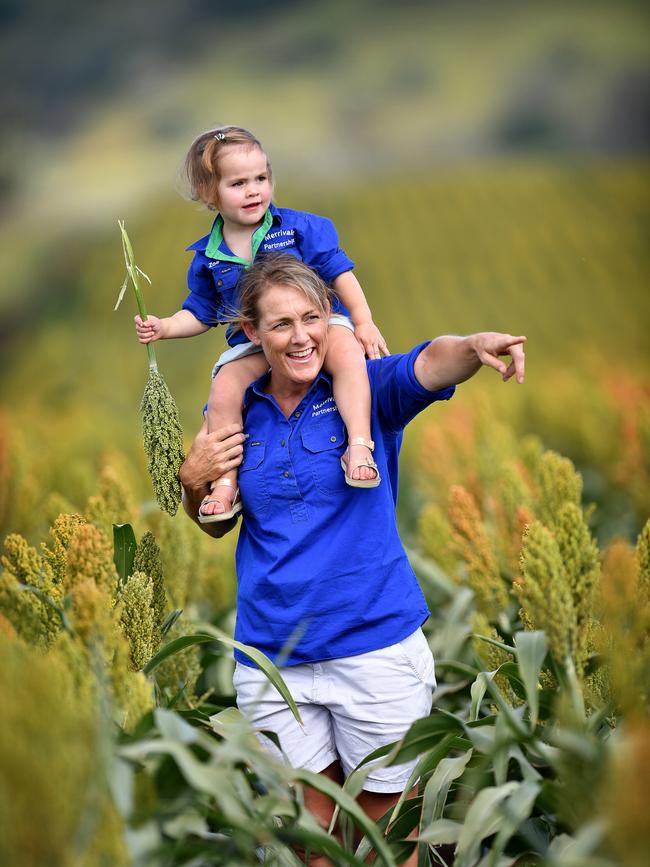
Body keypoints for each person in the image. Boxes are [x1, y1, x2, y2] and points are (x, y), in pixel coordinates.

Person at [179, 254, 526, 865]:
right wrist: (191, 483)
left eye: (312, 318)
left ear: (330, 319)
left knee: (385, 840)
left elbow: (427, 363)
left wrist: (473, 345)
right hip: (273, 657)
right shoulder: (234, 407)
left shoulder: (362, 389)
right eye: (281, 324)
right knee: (312, 843)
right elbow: (214, 522)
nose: (301, 336)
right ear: (253, 334)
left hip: (371, 647)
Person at [134, 125, 388, 523]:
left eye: (261, 178)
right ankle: (226, 482)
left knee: (348, 356)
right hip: (254, 342)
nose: (253, 190)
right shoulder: (208, 256)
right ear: (209, 193)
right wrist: (165, 326)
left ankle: (358, 444)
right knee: (224, 388)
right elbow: (200, 312)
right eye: (238, 183)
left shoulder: (298, 229)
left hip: (315, 328)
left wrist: (364, 321)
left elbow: (340, 273)